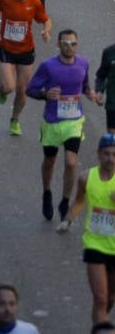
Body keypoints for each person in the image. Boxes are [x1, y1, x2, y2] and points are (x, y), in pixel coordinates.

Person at [27, 28, 96, 221]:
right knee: (50, 162)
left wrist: (90, 93)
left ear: (77, 45)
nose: (69, 47)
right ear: (58, 45)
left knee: (71, 162)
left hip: (74, 121)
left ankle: (65, 200)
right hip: (52, 122)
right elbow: (30, 89)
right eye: (65, 44)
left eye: (73, 44)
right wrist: (44, 95)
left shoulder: (83, 63)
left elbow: (84, 85)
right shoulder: (48, 66)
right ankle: (47, 193)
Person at [58, 134, 115, 326]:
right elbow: (79, 201)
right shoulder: (86, 177)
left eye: (114, 154)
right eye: (106, 154)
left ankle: (98, 327)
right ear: (99, 154)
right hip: (94, 245)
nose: (110, 158)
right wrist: (68, 220)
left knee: (109, 299)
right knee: (100, 298)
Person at [0, 0, 51, 137]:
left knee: (23, 90)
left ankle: (15, 119)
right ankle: (2, 90)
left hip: (26, 51)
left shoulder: (35, 3)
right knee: (9, 87)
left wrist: (46, 30)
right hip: (6, 49)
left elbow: (46, 19)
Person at [95, 45, 115, 134]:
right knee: (112, 143)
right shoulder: (109, 52)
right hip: (113, 105)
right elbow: (101, 76)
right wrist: (99, 91)